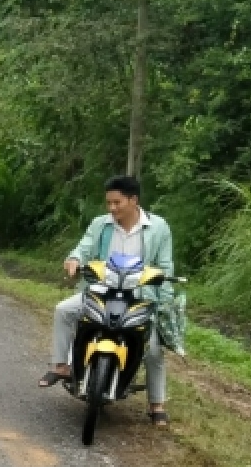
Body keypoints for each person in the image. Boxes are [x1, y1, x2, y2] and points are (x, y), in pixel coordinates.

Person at [38, 175, 175, 426]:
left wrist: (164, 303)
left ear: (134, 200)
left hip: (140, 296)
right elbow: (84, 247)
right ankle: (61, 366)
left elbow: (166, 267)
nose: (112, 208)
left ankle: (157, 404)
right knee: (64, 310)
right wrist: (74, 259)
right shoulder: (101, 224)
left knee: (153, 348)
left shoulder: (159, 227)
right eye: (108, 203)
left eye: (117, 203)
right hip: (100, 290)